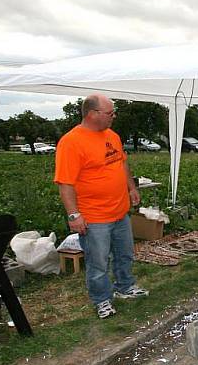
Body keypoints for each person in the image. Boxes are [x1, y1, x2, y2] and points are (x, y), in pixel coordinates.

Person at [54, 93, 149, 319]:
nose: (113, 116)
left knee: (125, 254)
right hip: (95, 217)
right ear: (92, 114)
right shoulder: (71, 142)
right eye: (110, 113)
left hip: (120, 211)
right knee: (98, 263)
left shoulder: (112, 136)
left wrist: (131, 188)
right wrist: (74, 215)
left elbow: (121, 163)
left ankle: (125, 286)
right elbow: (65, 184)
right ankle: (102, 300)